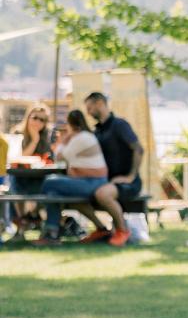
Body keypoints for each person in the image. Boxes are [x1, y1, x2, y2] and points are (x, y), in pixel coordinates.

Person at [33, 111, 111, 245]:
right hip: (90, 181)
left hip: (93, 183)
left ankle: (37, 219)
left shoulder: (81, 137)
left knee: (49, 182)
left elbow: (59, 156)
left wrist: (64, 140)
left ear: (70, 125)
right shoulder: (85, 136)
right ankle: (52, 234)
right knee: (53, 193)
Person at [83, 92, 144, 247]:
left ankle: (123, 230)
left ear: (99, 103)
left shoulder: (119, 125)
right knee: (75, 194)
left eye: (89, 107)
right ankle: (102, 229)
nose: (88, 112)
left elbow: (138, 149)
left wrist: (130, 176)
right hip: (105, 181)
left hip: (127, 183)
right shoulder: (97, 131)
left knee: (102, 194)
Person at [3, 104, 54, 233]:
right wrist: (34, 140)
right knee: (14, 183)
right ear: (28, 117)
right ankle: (22, 220)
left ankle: (33, 217)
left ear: (45, 123)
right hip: (20, 177)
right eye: (35, 117)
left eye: (42, 120)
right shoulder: (17, 133)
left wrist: (38, 139)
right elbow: (18, 159)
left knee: (49, 185)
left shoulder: (49, 137)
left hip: (40, 178)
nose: (37, 122)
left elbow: (50, 161)